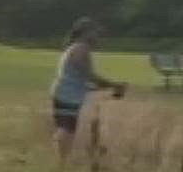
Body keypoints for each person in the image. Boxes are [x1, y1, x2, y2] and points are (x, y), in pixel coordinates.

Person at [51, 17, 127, 163]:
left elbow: (81, 79)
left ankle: (62, 163)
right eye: (95, 33)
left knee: (67, 128)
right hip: (68, 95)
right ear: (85, 33)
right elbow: (86, 74)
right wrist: (113, 85)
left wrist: (109, 86)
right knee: (66, 130)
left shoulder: (76, 47)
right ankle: (61, 163)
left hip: (67, 93)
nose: (97, 37)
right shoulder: (81, 48)